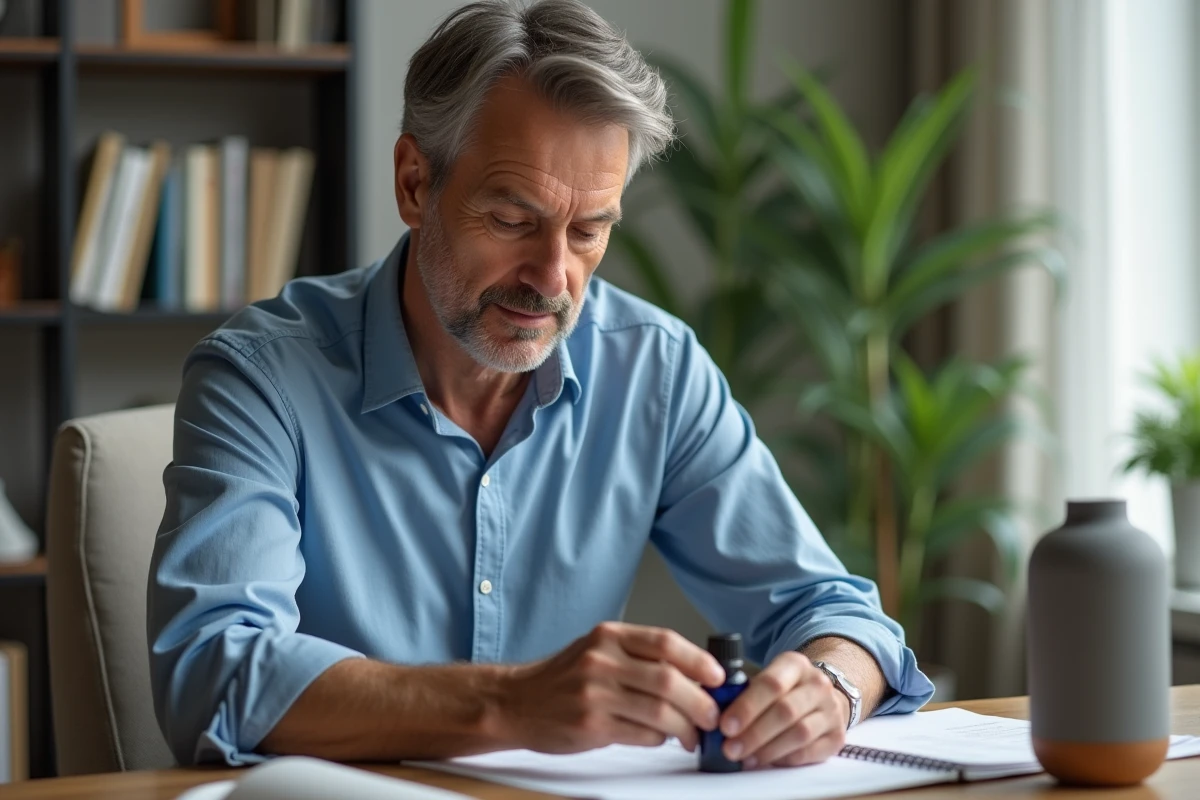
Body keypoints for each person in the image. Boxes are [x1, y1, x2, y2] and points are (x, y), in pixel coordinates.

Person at [147, 0, 934, 770]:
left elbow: (837, 615)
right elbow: (213, 675)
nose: (552, 277)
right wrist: (513, 703)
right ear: (416, 183)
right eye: (514, 220)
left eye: (590, 229)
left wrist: (828, 685)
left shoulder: (653, 370)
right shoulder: (261, 376)